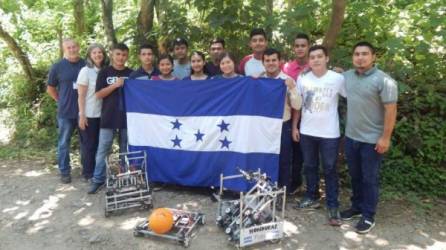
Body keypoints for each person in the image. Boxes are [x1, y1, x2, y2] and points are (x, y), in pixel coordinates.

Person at [340, 41, 398, 234]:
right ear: (353, 57)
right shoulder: (347, 76)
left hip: (372, 140)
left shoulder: (384, 80)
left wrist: (385, 138)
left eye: (365, 54)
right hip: (351, 137)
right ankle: (356, 207)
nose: (360, 57)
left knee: (369, 179)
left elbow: (391, 110)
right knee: (355, 176)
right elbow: (330, 77)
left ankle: (368, 215)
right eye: (357, 54)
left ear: (373, 57)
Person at [295, 45, 346, 227]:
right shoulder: (302, 79)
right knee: (309, 166)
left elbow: (353, 98)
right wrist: (295, 126)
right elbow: (298, 106)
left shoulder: (338, 79)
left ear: (327, 58)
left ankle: (333, 205)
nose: (316, 59)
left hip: (329, 133)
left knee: (330, 169)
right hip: (307, 131)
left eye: (319, 56)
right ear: (309, 61)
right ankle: (312, 196)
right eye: (312, 57)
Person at [88, 43, 133, 194]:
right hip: (108, 116)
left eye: (124, 55)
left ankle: (125, 177)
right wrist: (115, 85)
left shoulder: (132, 73)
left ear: (127, 56)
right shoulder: (104, 72)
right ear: (112, 54)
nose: (121, 57)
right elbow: (99, 94)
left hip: (127, 118)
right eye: (118, 54)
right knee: (103, 149)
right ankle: (97, 179)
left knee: (125, 148)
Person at [259, 48, 302, 191]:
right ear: (263, 62)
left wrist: (293, 88)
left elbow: (297, 105)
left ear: (279, 62)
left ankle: (281, 192)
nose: (271, 63)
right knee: (263, 157)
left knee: (283, 160)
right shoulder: (258, 80)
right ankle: (263, 189)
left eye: (273, 60)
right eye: (267, 60)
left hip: (283, 126)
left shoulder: (287, 80)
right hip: (262, 127)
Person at [47, 38, 86, 184]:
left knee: (86, 142)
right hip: (65, 113)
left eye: (74, 46)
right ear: (64, 49)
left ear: (78, 47)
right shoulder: (57, 66)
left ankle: (87, 169)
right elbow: (50, 88)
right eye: (68, 47)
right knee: (64, 142)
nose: (72, 49)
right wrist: (60, 100)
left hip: (84, 112)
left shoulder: (86, 64)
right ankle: (64, 171)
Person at [76, 43, 108, 182]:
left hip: (104, 114)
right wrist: (81, 115)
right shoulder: (85, 71)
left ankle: (99, 172)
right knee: (89, 145)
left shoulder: (106, 70)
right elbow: (81, 95)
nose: (97, 55)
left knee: (101, 146)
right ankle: (88, 173)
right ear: (89, 55)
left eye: (100, 52)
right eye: (94, 53)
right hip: (89, 114)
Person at [286, 33, 311, 195]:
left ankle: (311, 189)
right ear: (293, 48)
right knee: (293, 153)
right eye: (297, 46)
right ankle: (294, 184)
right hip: (291, 115)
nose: (300, 48)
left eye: (303, 45)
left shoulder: (315, 65)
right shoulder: (287, 67)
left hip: (311, 117)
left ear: (308, 47)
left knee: (308, 155)